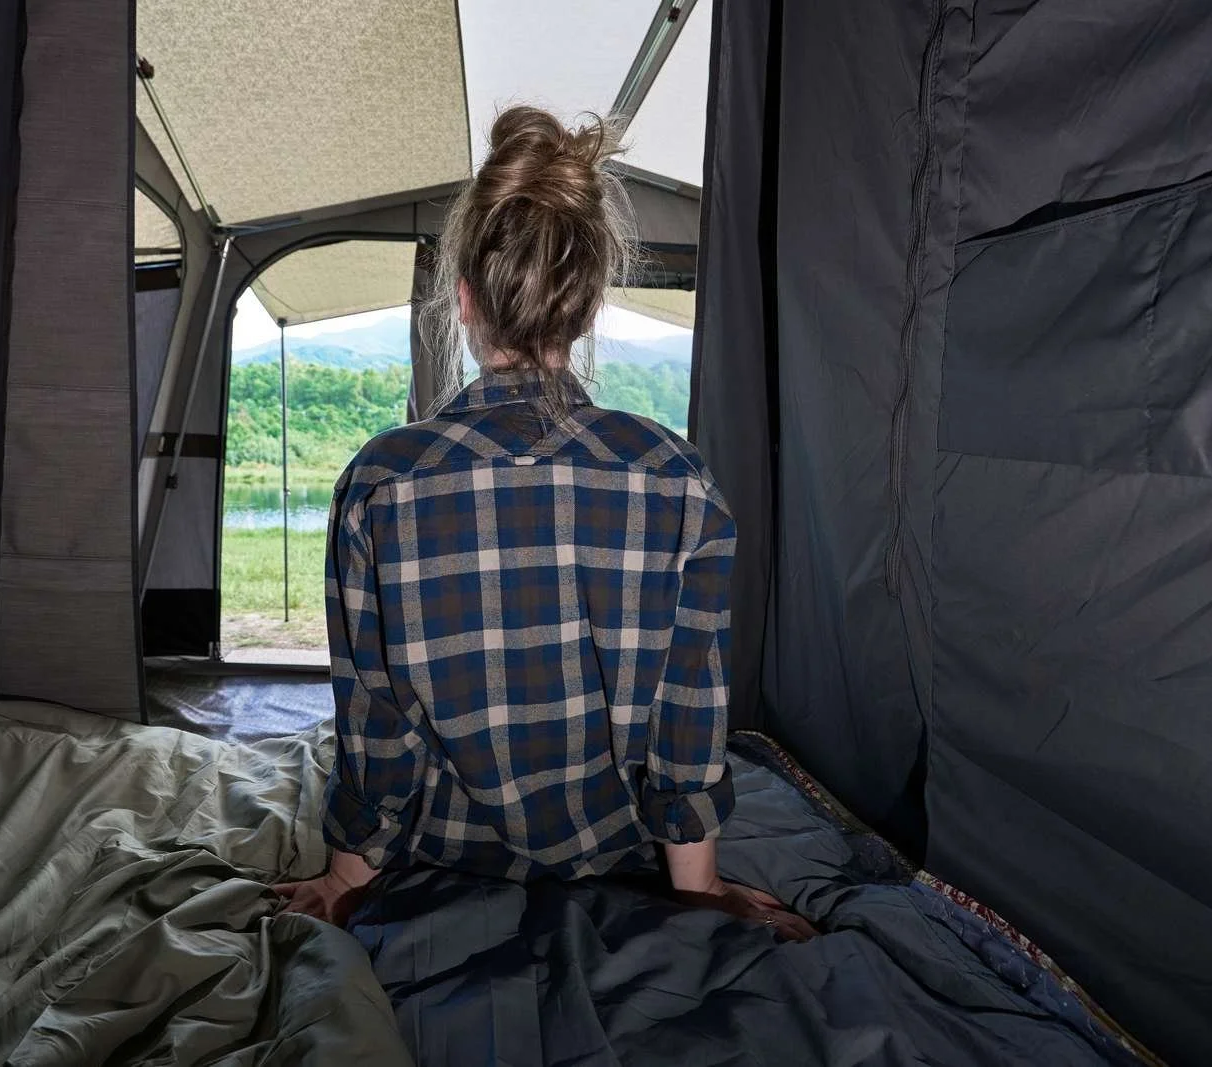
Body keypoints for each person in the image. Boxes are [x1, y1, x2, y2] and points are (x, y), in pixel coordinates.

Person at [277, 105, 816, 943]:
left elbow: (374, 720)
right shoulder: (678, 480)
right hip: (616, 855)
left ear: (461, 300)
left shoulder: (378, 482)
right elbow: (688, 719)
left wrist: (347, 878)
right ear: (591, 304)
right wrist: (702, 892)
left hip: (438, 857)